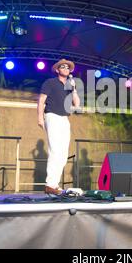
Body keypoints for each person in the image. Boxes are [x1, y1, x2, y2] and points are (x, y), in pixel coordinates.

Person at [37, 59, 80, 194]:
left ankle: (54, 184)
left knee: (63, 153)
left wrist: (73, 89)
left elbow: (77, 104)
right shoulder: (50, 82)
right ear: (57, 70)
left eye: (68, 67)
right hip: (52, 116)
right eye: (63, 67)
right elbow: (41, 100)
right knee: (55, 150)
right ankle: (50, 184)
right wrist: (39, 117)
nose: (66, 68)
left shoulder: (69, 85)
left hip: (64, 118)